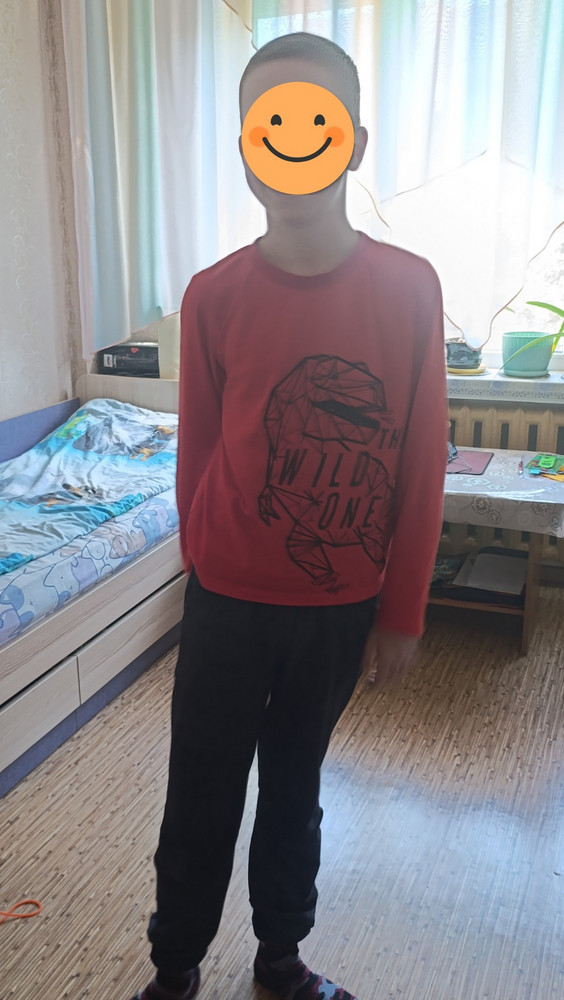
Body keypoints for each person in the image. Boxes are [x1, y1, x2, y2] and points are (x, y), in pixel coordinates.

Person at [130, 30, 447, 1000]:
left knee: (296, 786)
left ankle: (280, 956)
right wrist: (202, 558)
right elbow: (198, 449)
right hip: (227, 601)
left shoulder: (410, 288)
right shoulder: (212, 295)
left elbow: (422, 462)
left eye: (315, 122)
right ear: (245, 150)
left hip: (338, 607)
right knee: (201, 788)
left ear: (353, 143)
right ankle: (175, 966)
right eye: (270, 125)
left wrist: (401, 612)